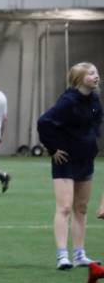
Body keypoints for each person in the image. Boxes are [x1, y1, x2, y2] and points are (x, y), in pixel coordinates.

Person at [37, 62, 102, 270]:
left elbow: (96, 120)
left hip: (86, 158)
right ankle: (62, 255)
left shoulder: (94, 99)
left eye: (97, 73)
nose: (96, 76)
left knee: (81, 208)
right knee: (64, 207)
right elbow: (44, 122)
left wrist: (92, 140)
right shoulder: (68, 101)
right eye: (91, 73)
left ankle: (80, 254)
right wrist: (53, 148)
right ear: (79, 78)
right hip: (65, 160)